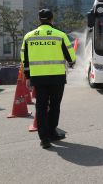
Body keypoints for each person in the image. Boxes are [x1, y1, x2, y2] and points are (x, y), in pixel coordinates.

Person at [21, 9, 76, 149]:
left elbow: (24, 59)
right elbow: (71, 57)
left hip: (38, 78)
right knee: (54, 106)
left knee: (40, 107)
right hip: (57, 78)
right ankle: (52, 133)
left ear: (40, 20)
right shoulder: (60, 35)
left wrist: (27, 77)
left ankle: (44, 139)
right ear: (52, 19)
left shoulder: (29, 36)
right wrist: (71, 63)